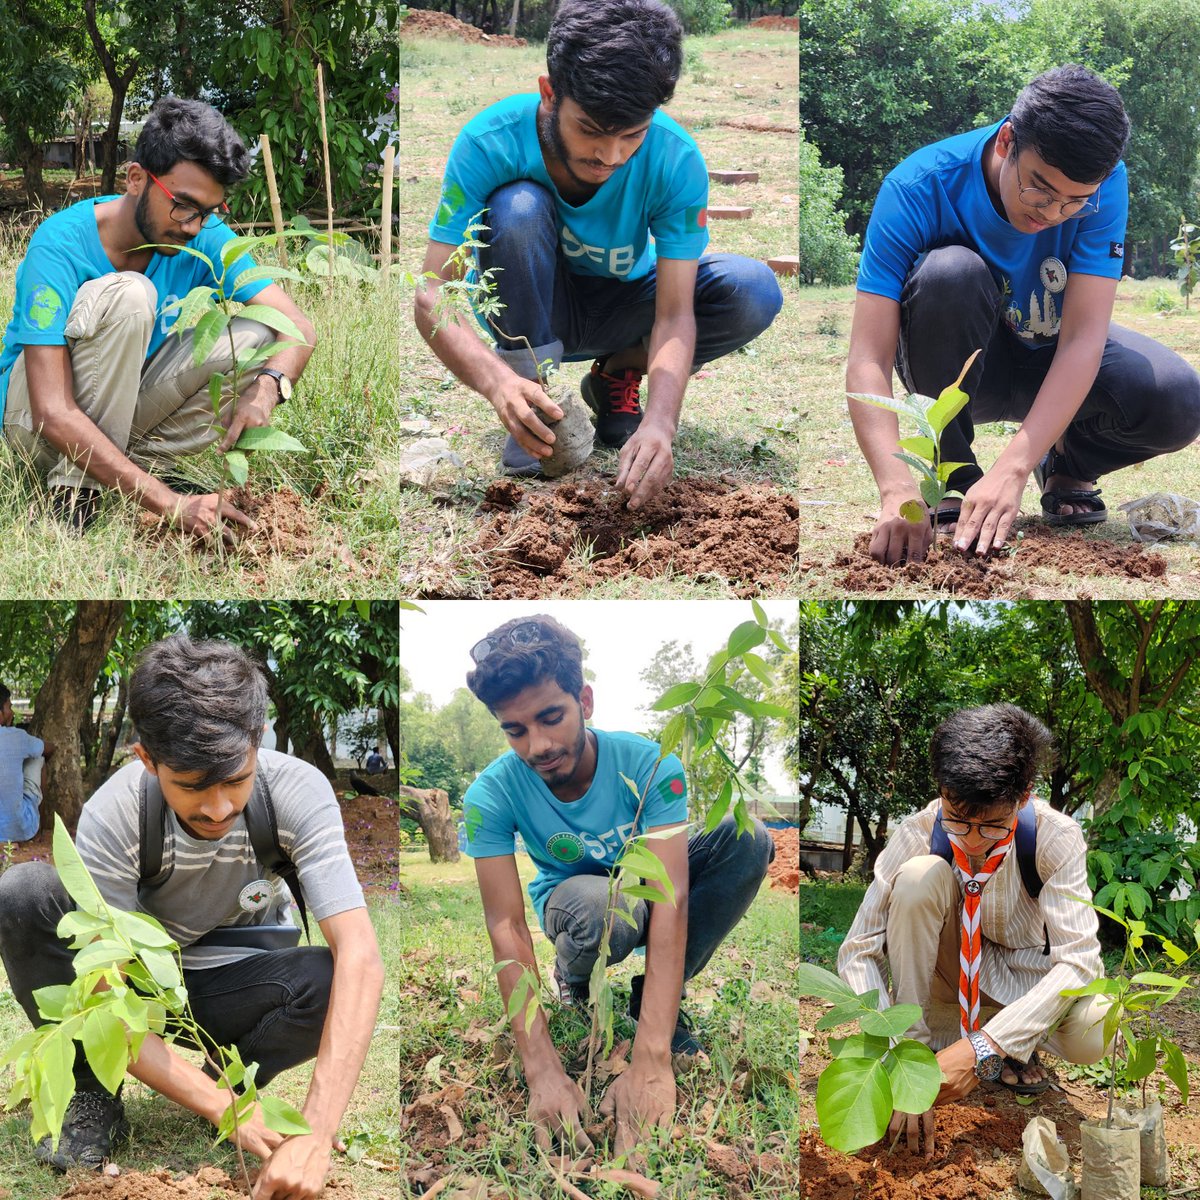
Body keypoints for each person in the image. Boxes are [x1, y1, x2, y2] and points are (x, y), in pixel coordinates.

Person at [0, 637, 383, 1200]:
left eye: (235, 779)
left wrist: (316, 1132)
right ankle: (91, 1089)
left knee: (334, 979)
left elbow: (362, 957)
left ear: (258, 742)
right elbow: (105, 1000)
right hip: (141, 982)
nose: (219, 808)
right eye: (192, 787)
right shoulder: (119, 811)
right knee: (22, 891)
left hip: (231, 978)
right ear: (148, 760)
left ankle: (227, 1081)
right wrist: (233, 1117)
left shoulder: (299, 792)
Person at [414, 0, 783, 507]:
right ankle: (535, 400)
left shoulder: (675, 159)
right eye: (590, 130)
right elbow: (433, 294)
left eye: (632, 135)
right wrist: (498, 383)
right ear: (549, 94)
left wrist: (660, 424)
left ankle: (617, 373)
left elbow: (674, 315)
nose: (610, 157)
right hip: (534, 307)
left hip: (626, 303)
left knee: (752, 289)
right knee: (516, 208)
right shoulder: (488, 141)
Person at [846, 64, 1200, 564]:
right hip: (957, 370)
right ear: (1007, 140)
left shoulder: (1105, 185)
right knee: (951, 272)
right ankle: (954, 478)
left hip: (1049, 354)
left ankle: (1065, 463)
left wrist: (1013, 469)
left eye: (1073, 203)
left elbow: (1082, 338)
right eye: (1040, 189)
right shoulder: (919, 186)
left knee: (1179, 400)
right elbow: (867, 358)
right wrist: (895, 487)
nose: (1051, 214)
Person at [461, 614, 774, 1158]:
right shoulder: (490, 793)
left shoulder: (652, 764)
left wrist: (650, 1057)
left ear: (584, 700)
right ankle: (576, 982)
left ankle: (652, 1000)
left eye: (550, 717)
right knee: (604, 905)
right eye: (514, 730)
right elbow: (506, 924)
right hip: (577, 902)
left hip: (645, 884)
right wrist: (541, 1069)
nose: (536, 745)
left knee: (745, 839)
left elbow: (671, 896)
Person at [0, 97, 316, 542]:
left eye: (207, 213)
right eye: (183, 206)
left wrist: (266, 391)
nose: (192, 227)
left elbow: (297, 325)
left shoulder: (202, 233)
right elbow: (52, 410)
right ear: (135, 179)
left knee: (258, 334)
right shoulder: (59, 244)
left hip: (121, 411)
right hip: (34, 424)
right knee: (131, 294)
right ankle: (78, 499)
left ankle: (137, 474)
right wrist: (173, 507)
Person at [837, 704, 1110, 1158]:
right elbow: (858, 950)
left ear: (1024, 795)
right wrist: (900, 1053)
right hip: (949, 981)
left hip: (1025, 985)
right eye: (958, 820)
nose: (973, 839)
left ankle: (1005, 1042)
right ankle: (928, 1044)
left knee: (1097, 1026)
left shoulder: (1055, 838)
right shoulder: (921, 830)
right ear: (942, 789)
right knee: (919, 876)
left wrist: (985, 1046)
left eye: (992, 825)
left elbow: (1080, 962)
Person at [0, 682, 54, 842]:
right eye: (9, 707)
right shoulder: (17, 736)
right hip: (18, 829)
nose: (12, 712)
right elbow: (49, 748)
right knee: (39, 758)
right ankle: (39, 832)